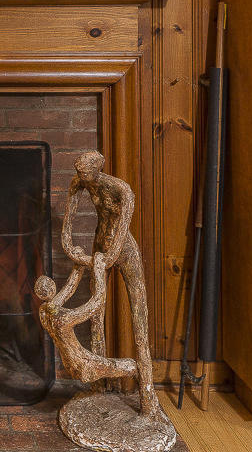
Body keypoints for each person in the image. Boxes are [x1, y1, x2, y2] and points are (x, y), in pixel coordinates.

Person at [56, 150, 159, 418]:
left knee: (139, 317)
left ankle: (148, 396)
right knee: (96, 318)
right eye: (79, 172)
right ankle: (98, 389)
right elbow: (67, 228)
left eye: (86, 173)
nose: (82, 177)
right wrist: (72, 249)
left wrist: (104, 260)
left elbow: (122, 228)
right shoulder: (78, 184)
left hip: (123, 250)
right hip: (100, 246)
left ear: (97, 169)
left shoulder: (121, 190)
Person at [34, 248, 138, 385]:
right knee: (131, 366)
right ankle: (143, 382)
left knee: (124, 366)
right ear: (53, 287)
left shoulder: (43, 311)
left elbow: (68, 289)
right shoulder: (62, 319)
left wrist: (78, 265)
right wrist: (99, 269)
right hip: (83, 363)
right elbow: (96, 303)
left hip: (69, 362)